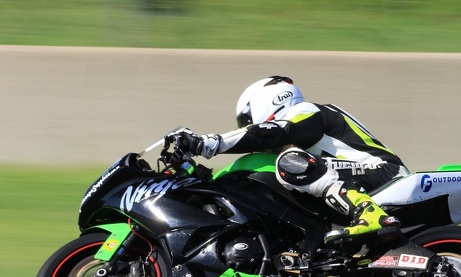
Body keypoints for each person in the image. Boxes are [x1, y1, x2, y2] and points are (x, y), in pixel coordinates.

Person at [171, 75, 409, 246]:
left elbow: (277, 132)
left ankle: (369, 213)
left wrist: (207, 143)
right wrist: (206, 180)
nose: (247, 127)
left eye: (247, 121)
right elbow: (251, 164)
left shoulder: (307, 111)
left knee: (291, 162)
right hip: (357, 178)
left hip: (385, 173)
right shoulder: (296, 139)